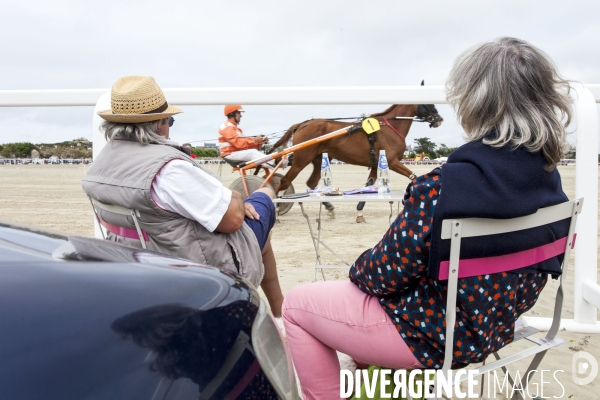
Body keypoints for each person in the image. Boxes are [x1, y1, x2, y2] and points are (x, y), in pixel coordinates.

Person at [281, 37, 572, 399]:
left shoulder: (443, 186)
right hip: (498, 324)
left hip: (436, 336)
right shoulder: (550, 179)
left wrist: (360, 267)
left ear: (472, 104)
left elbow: (381, 276)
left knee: (295, 304)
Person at [82, 76, 284, 317]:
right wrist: (233, 195)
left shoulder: (100, 165)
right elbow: (232, 220)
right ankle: (280, 314)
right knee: (263, 199)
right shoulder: (168, 169)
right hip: (194, 267)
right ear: (159, 124)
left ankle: (275, 311)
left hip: (134, 260)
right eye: (170, 120)